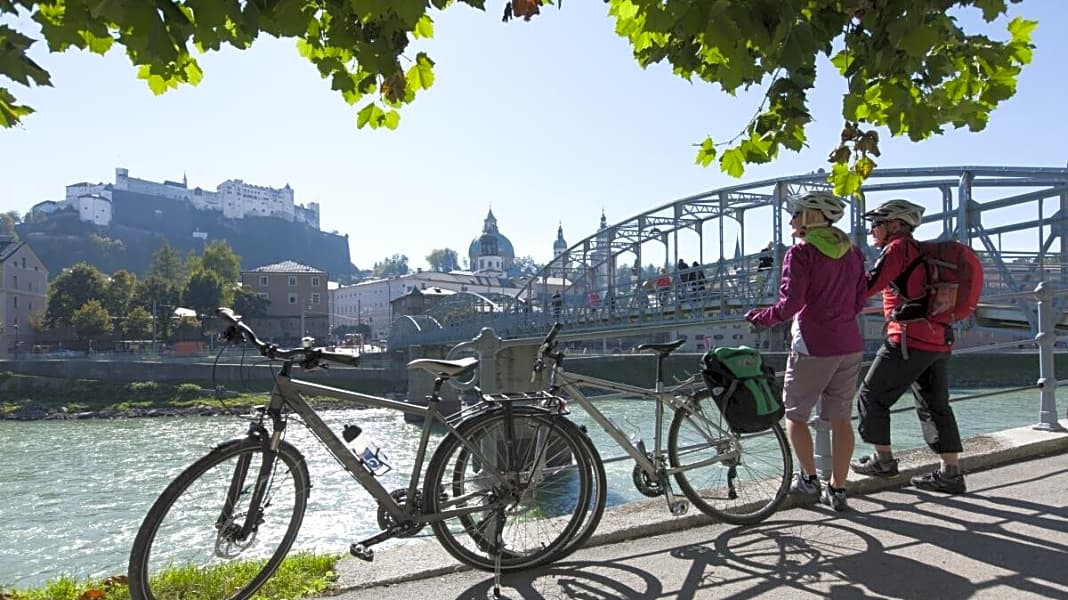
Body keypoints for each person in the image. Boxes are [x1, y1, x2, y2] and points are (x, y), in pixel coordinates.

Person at [745, 191, 866, 511]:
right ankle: (838, 488)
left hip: (813, 345)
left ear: (812, 217)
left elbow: (791, 304)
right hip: (849, 344)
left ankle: (809, 480)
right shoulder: (853, 253)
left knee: (796, 415)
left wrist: (761, 318)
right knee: (841, 419)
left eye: (796, 214)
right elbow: (859, 301)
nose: (791, 221)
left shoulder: (801, 252)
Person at [851, 198, 966, 494]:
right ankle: (950, 473)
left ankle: (883, 461)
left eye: (876, 223)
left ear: (895, 225)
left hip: (907, 338)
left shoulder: (898, 248)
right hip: (938, 338)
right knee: (935, 404)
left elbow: (869, 285)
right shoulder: (920, 251)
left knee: (870, 395)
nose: (871, 230)